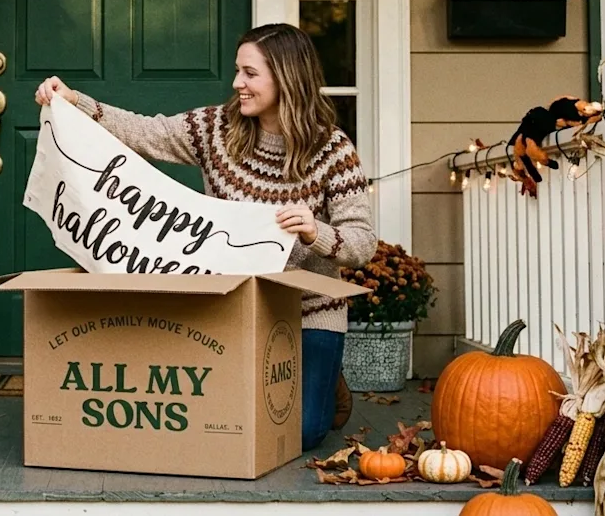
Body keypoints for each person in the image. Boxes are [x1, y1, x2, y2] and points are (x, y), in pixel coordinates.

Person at [35, 22, 377, 453]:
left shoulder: (332, 150)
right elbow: (145, 132)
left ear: (287, 77)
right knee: (217, 420)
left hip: (307, 312)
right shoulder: (217, 128)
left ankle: (325, 382)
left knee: (303, 433)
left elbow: (363, 245)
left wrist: (316, 232)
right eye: (238, 71)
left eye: (250, 74)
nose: (238, 84)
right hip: (230, 306)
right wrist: (75, 102)